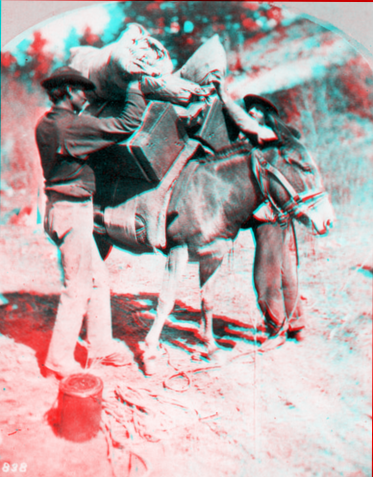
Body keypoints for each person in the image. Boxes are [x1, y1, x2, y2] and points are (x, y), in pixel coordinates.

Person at [36, 66, 147, 378]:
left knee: (98, 279)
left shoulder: (45, 123)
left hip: (61, 209)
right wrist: (136, 89)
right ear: (69, 91)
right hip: (73, 211)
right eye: (82, 90)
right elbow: (127, 123)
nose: (85, 96)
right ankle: (58, 359)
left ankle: (100, 345)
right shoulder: (74, 126)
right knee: (79, 286)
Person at [217, 83, 306, 350]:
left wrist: (224, 98)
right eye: (251, 108)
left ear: (268, 115)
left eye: (259, 109)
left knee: (265, 274)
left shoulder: (269, 134)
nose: (253, 113)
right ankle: (296, 325)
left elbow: (246, 124)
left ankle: (276, 330)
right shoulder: (266, 139)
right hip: (274, 214)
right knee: (284, 269)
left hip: (270, 216)